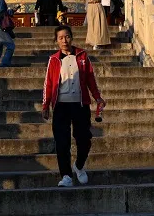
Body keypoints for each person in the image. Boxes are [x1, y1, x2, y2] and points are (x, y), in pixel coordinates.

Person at [42, 25, 106, 187]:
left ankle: (79, 165)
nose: (64, 40)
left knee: (84, 139)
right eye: (61, 38)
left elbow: (90, 78)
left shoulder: (82, 55)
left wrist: (97, 97)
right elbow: (48, 84)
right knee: (62, 142)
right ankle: (66, 175)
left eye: (67, 36)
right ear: (56, 40)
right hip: (61, 105)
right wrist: (46, 105)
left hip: (80, 104)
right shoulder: (54, 60)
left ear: (72, 37)